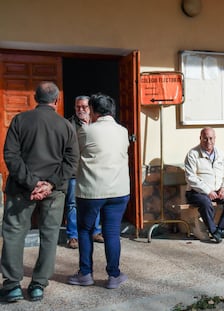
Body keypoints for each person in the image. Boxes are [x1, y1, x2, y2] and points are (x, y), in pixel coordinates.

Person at [0, 81, 79, 303]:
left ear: (36, 99)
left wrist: (31, 182)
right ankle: (38, 285)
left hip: (21, 189)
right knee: (49, 234)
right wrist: (49, 184)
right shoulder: (66, 126)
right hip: (54, 192)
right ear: (57, 100)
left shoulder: (20, 120)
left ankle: (12, 285)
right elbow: (71, 162)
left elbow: (11, 156)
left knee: (14, 233)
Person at [68, 93, 130, 289]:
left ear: (93, 111)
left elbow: (75, 153)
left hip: (91, 191)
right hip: (119, 191)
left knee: (85, 231)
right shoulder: (122, 130)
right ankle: (114, 276)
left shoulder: (86, 131)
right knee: (112, 233)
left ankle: (85, 274)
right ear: (111, 111)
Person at [184, 127, 224, 243]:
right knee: (205, 202)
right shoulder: (192, 154)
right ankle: (213, 231)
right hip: (196, 192)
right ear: (200, 138)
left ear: (215, 139)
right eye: (205, 138)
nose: (208, 141)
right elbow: (191, 178)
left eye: (211, 138)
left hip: (217, 190)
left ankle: (222, 229)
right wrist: (207, 191)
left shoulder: (221, 154)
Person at [65, 95, 103, 249]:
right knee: (73, 204)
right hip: (75, 171)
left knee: (96, 202)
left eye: (84, 107)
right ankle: (73, 236)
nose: (80, 110)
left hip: (95, 171)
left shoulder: (98, 124)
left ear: (90, 108)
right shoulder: (68, 124)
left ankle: (95, 231)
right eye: (78, 107)